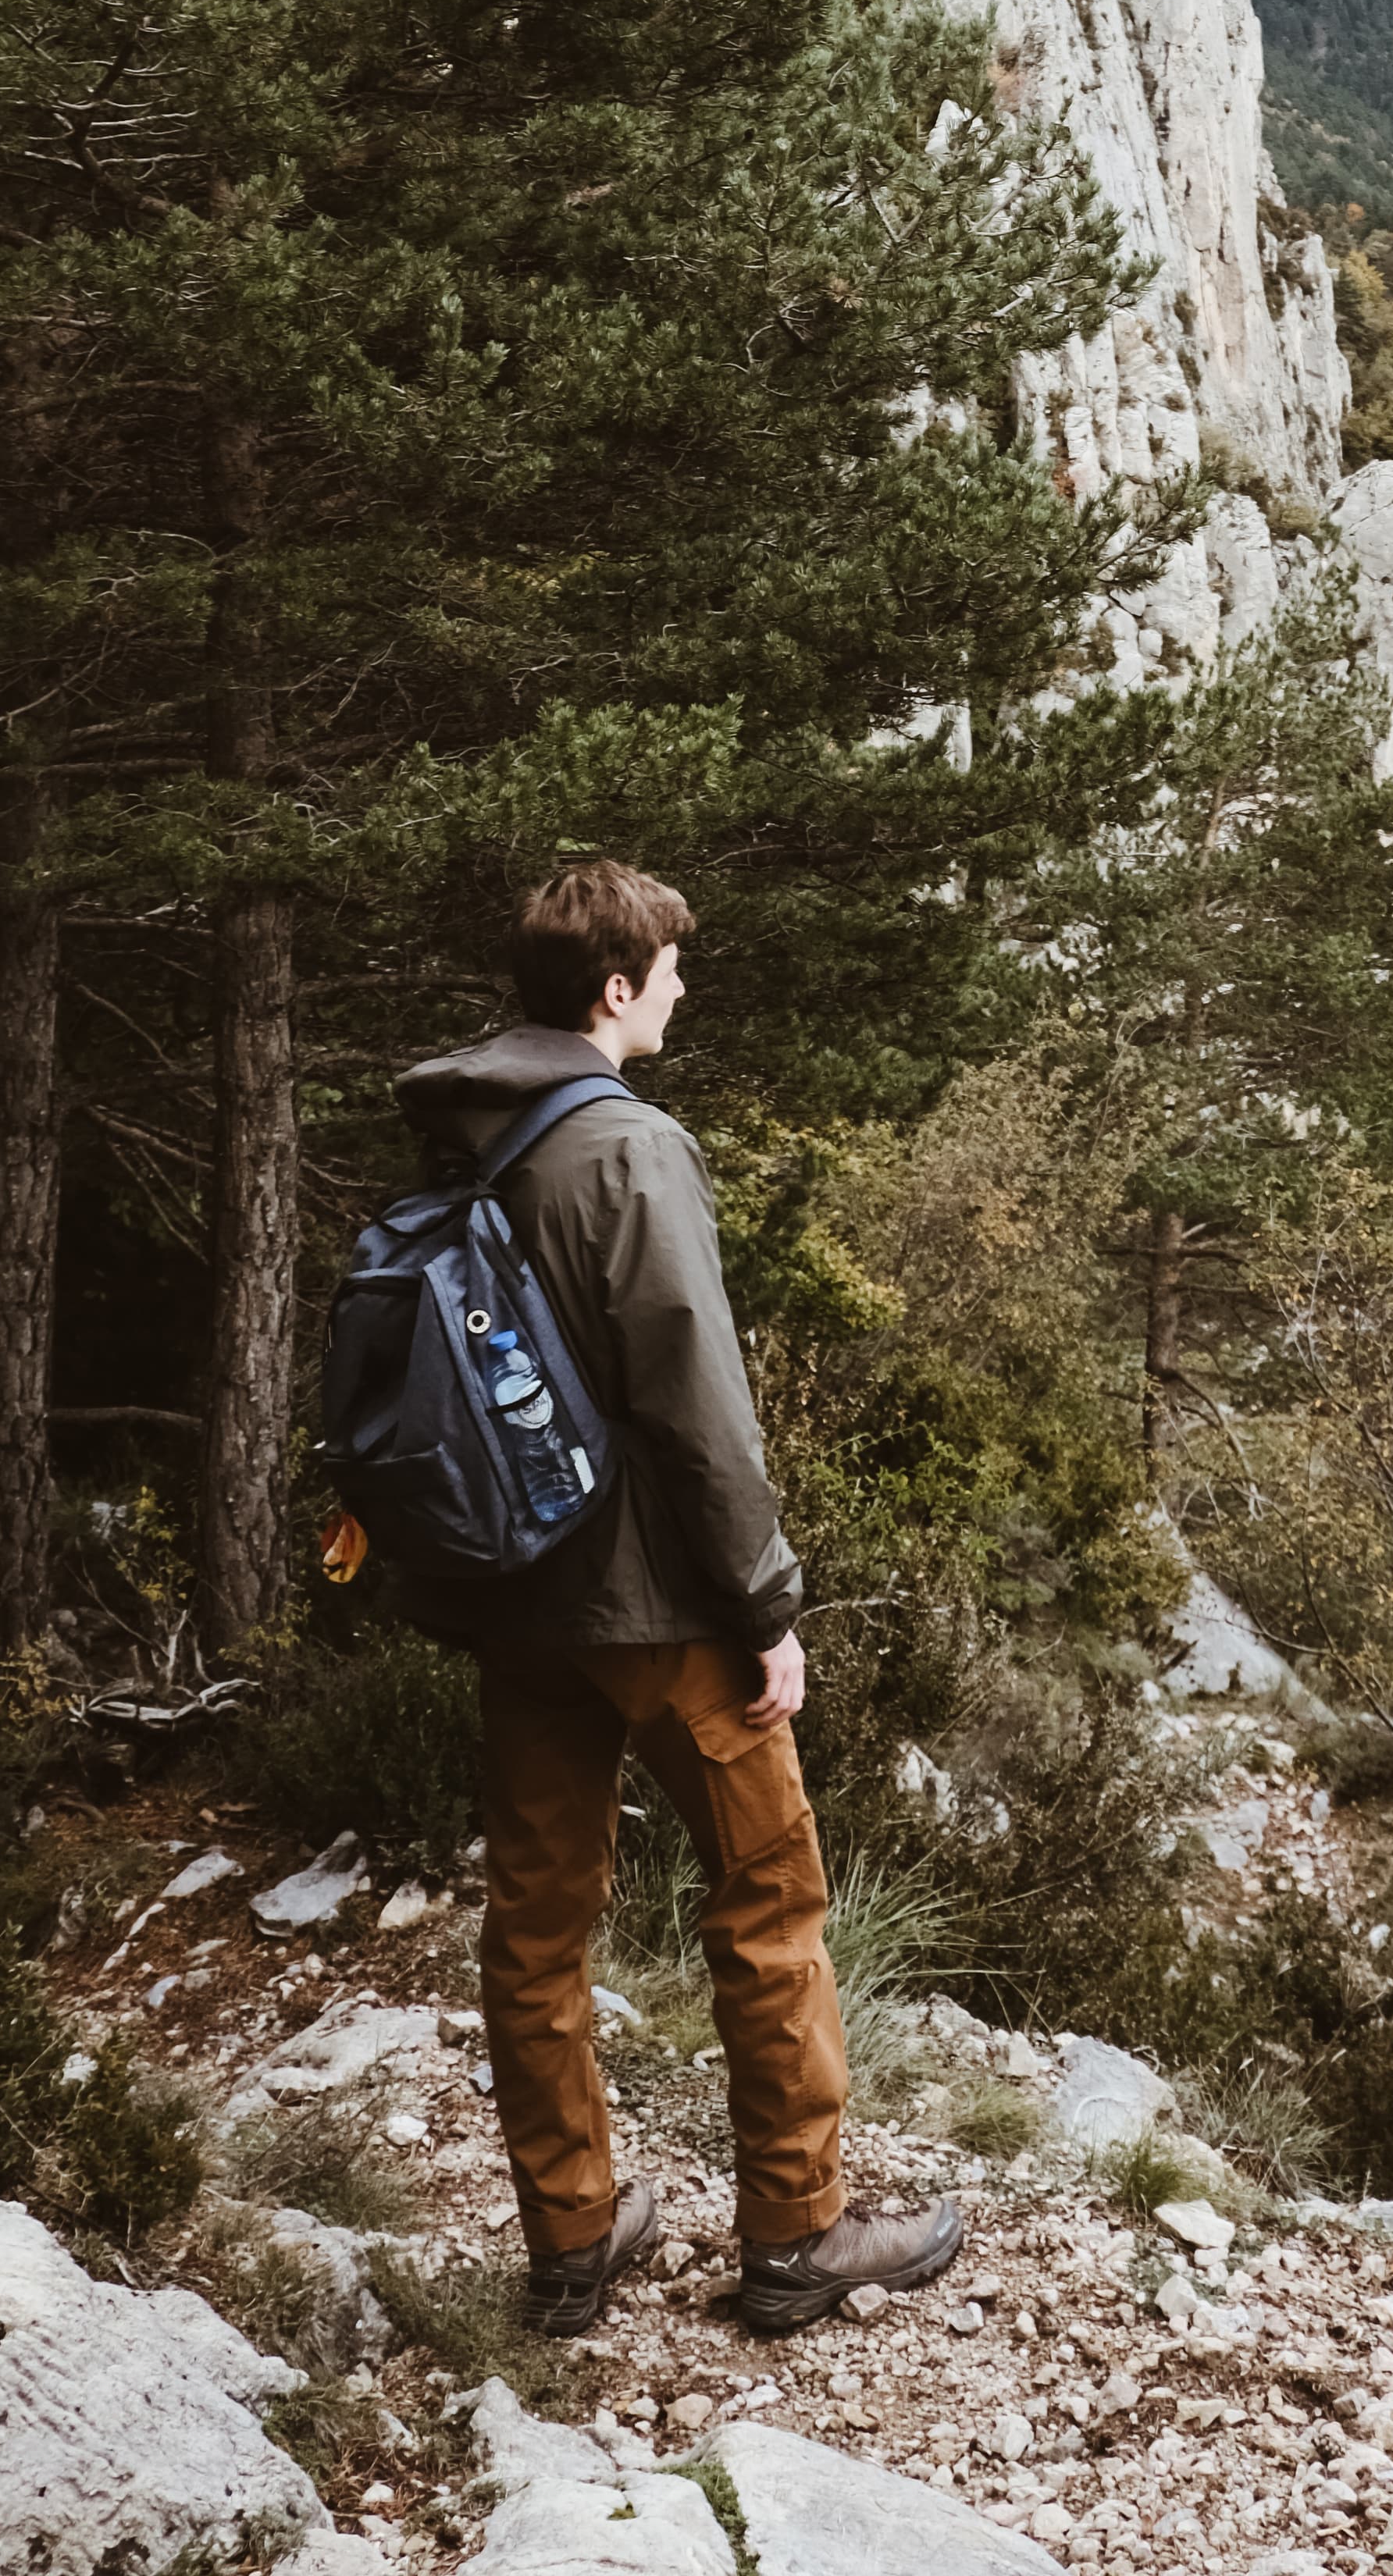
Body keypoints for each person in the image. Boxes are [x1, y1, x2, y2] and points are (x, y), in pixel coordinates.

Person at [388, 856, 966, 2339]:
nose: (684, 987)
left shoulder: (468, 1143)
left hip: (514, 1601)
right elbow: (696, 1403)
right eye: (669, 968)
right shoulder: (627, 1151)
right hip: (656, 1612)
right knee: (769, 1903)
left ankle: (571, 2239)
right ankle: (796, 2236)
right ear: (614, 992)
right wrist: (766, 1605)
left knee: (535, 1925)